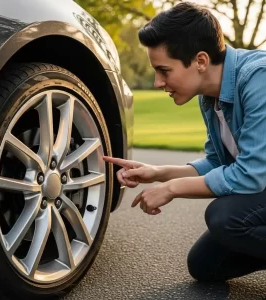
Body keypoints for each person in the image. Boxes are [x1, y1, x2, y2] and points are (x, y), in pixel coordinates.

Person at [103, 1, 266, 283]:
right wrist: (156, 173)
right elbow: (217, 162)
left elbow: (251, 176)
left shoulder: (258, 78)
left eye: (164, 71)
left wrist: (172, 188)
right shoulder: (210, 98)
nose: (157, 82)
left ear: (200, 61)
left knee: (225, 217)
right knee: (205, 265)